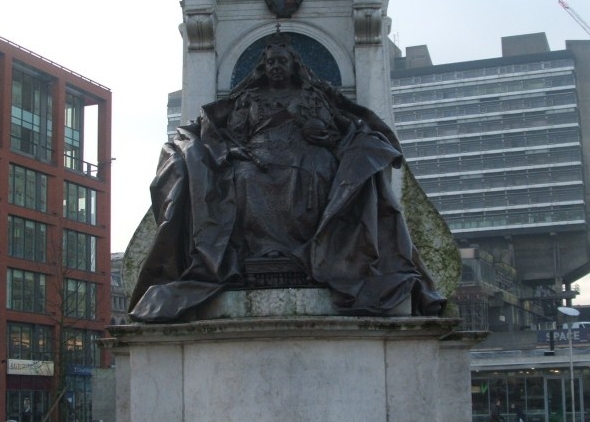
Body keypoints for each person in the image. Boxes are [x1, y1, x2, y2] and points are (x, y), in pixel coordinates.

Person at [129, 30, 446, 322]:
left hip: (307, 152)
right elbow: (233, 134)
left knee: (318, 169)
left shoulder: (312, 96)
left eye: (281, 61)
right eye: (270, 62)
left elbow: (335, 129)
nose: (275, 67)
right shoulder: (249, 98)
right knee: (244, 177)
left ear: (293, 65)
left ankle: (310, 254)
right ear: (263, 67)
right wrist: (235, 152)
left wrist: (324, 136)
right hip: (257, 154)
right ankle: (265, 252)